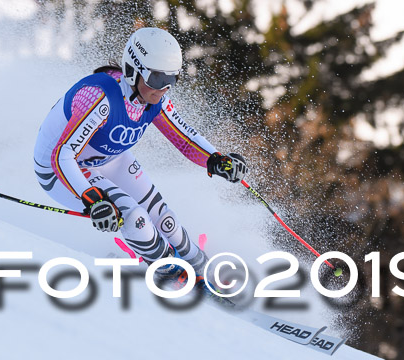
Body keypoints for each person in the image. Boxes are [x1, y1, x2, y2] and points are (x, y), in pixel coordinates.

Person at [33, 27, 248, 281]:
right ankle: (170, 274)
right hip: (61, 169)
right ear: (133, 70)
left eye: (172, 80)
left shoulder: (154, 99)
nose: (164, 89)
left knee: (164, 217)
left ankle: (201, 266)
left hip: (109, 159)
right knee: (134, 217)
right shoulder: (100, 98)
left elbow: (185, 139)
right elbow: (63, 155)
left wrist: (217, 160)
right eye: (158, 79)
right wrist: (93, 199)